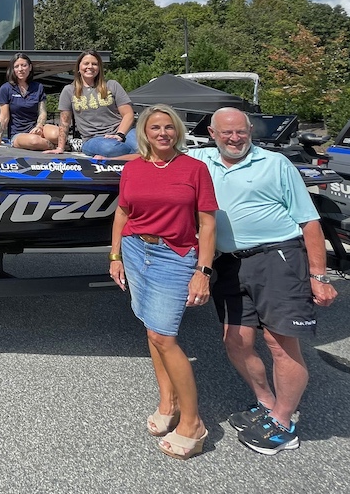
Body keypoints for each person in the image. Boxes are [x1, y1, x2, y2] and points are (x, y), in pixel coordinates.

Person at [188, 108, 337, 455]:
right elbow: (155, 153)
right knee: (235, 340)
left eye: (241, 131)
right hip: (228, 263)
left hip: (277, 257)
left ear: (250, 130)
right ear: (212, 134)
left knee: (280, 343)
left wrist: (319, 276)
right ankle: (267, 404)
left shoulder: (276, 164)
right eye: (227, 133)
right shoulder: (200, 160)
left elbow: (309, 222)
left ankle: (284, 424)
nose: (235, 138)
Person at [109, 104, 217, 460]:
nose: (162, 133)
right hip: (135, 251)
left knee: (164, 336)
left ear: (177, 132)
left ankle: (193, 423)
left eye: (169, 127)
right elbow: (122, 213)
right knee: (151, 327)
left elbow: (207, 224)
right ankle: (168, 403)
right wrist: (115, 256)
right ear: (145, 132)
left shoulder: (195, 169)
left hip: (176, 255)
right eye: (155, 127)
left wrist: (203, 271)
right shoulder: (133, 168)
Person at [47, 50, 137, 158]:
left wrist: (120, 134)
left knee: (142, 145)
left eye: (94, 64)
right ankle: (140, 156)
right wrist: (60, 148)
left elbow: (128, 114)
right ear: (78, 67)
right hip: (93, 139)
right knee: (111, 149)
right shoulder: (69, 90)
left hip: (123, 132)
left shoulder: (112, 85)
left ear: (99, 68)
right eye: (86, 63)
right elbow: (64, 122)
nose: (90, 67)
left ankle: (133, 155)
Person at [0, 53, 59, 150]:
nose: (20, 69)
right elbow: (4, 117)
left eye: (24, 65)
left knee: (58, 134)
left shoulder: (38, 87)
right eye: (16, 66)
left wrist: (39, 126)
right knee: (34, 141)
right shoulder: (6, 88)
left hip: (36, 129)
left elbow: (42, 112)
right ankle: (56, 146)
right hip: (18, 134)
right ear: (13, 69)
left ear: (30, 67)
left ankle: (58, 143)